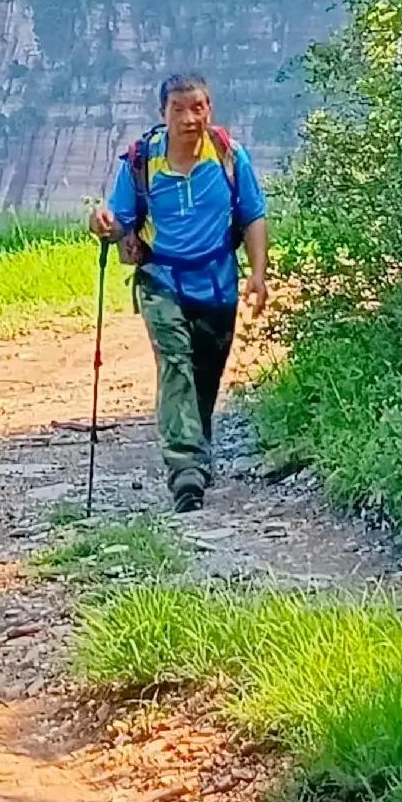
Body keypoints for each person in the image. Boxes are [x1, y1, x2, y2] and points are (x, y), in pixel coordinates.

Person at [91, 72, 269, 513]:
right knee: (176, 367)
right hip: (162, 281)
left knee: (205, 378)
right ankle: (186, 471)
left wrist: (258, 274)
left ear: (210, 110)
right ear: (162, 113)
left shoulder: (229, 157)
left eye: (198, 108)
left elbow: (253, 216)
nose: (190, 118)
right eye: (179, 109)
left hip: (218, 285)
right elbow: (118, 222)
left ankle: (196, 450)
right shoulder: (141, 161)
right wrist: (103, 225)